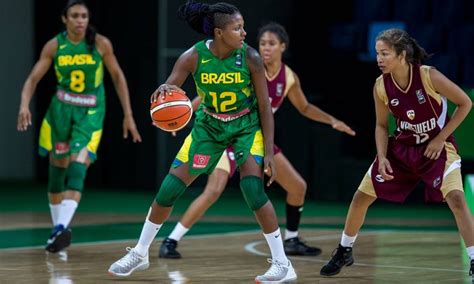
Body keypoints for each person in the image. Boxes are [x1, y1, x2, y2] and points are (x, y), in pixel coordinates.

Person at [108, 1, 297, 282]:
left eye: (243, 27)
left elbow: (265, 108)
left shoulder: (251, 58)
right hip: (208, 127)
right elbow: (170, 87)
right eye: (237, 28)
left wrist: (269, 151)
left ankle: (283, 264)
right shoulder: (192, 57)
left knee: (253, 191)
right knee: (169, 188)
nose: (244, 33)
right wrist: (163, 97)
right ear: (219, 33)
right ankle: (140, 252)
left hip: (246, 127)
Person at [159, 22, 356, 259]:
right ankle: (171, 240)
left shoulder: (288, 76)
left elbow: (304, 107)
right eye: (262, 43)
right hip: (230, 135)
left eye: (271, 44)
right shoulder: (248, 66)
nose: (266, 48)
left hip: (258, 139)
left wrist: (332, 121)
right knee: (213, 190)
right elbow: (209, 95)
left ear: (283, 47)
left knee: (297, 187)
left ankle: (291, 239)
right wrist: (183, 115)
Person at [319, 28, 474, 277]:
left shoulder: (428, 76)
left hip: (436, 148)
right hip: (401, 151)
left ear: (402, 55)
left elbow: (465, 103)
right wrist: (382, 157)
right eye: (377, 53)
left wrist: (440, 138)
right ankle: (344, 250)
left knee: (456, 198)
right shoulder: (381, 86)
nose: (379, 59)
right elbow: (381, 126)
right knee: (361, 197)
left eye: (385, 53)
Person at [17, 0, 142, 253]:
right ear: (65, 19)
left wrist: (128, 114)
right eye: (74, 15)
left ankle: (60, 229)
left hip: (91, 111)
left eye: (84, 15)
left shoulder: (100, 43)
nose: (80, 20)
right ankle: (57, 232)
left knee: (78, 164)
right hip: (61, 111)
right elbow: (32, 79)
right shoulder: (55, 45)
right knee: (57, 170)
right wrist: (23, 105)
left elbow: (118, 77)